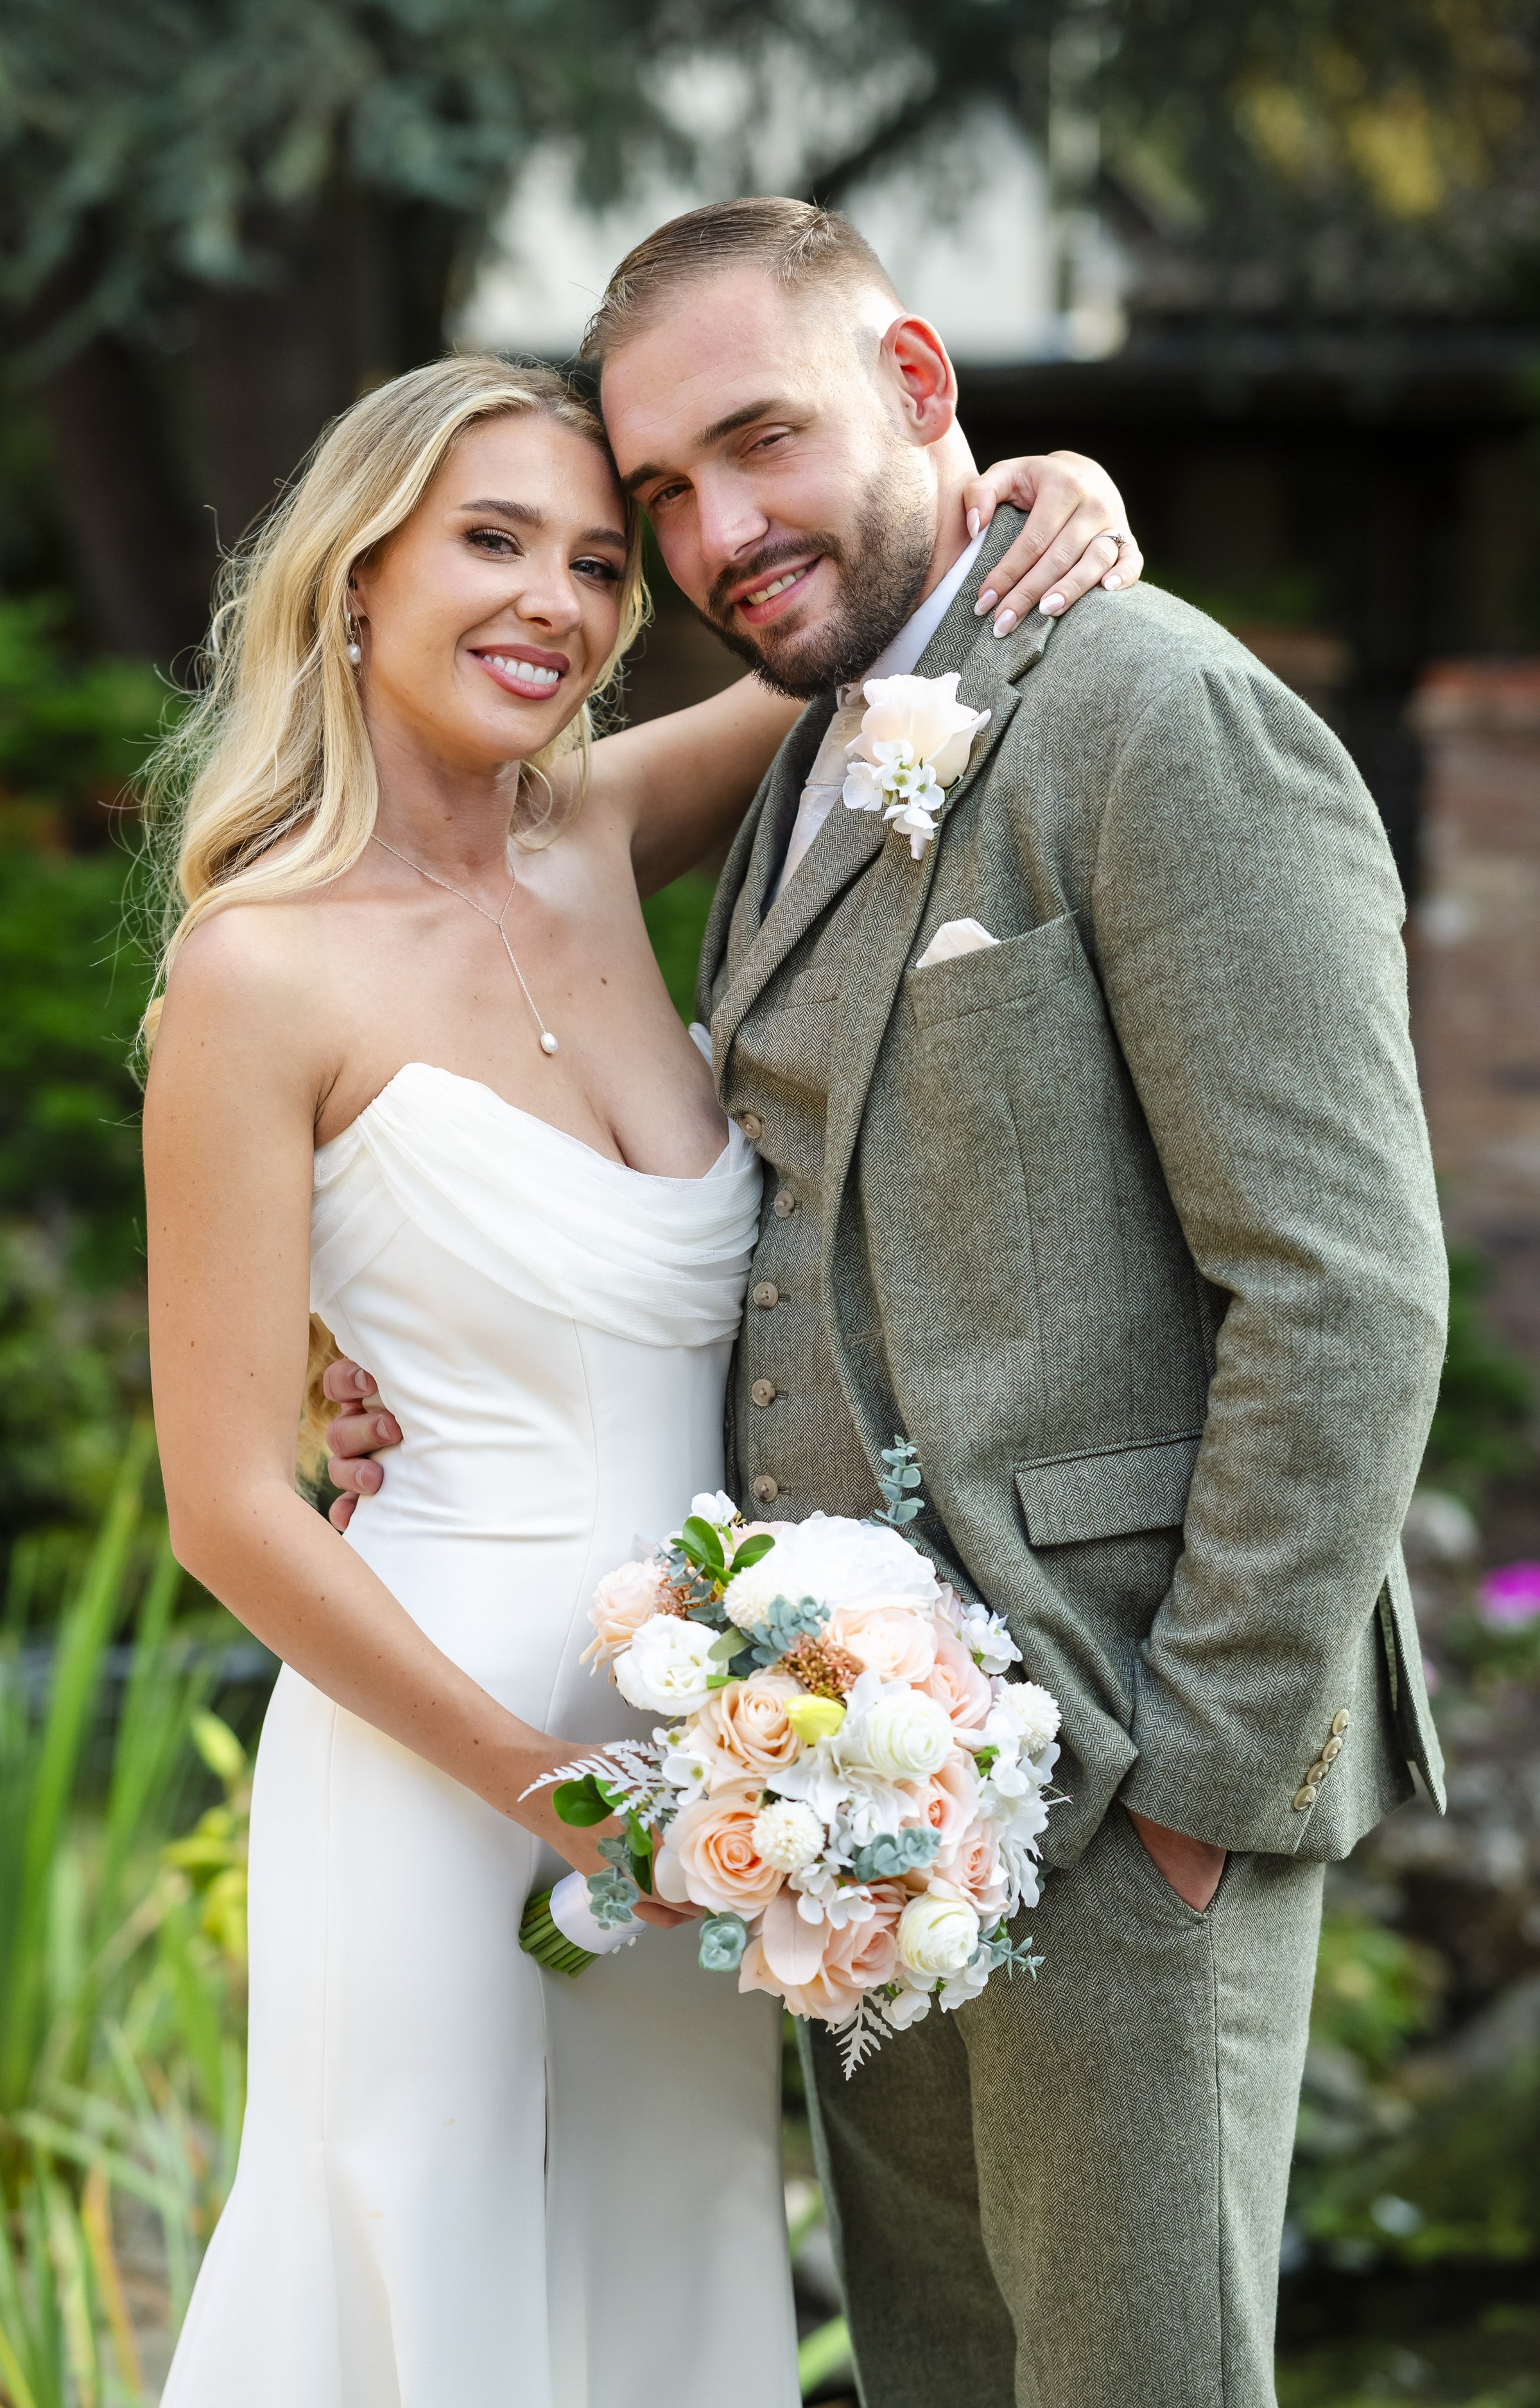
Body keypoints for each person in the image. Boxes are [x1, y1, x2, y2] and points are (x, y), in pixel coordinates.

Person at [330, 202, 1449, 2408]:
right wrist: (363, 1335)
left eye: (763, 439)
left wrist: (1190, 1787)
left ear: (923, 382)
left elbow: (1342, 1289)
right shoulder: (806, 741)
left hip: (1129, 1776)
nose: (717, 528)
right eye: (662, 492)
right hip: (848, 1794)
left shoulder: (1159, 715)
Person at [142, 343, 1138, 2407]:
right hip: (442, 1764)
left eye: (598, 562)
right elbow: (229, 1505)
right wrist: (550, 1795)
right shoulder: (256, 970)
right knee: (430, 2267)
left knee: (664, 2265)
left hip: (714, 1773)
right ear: (352, 576)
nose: (558, 603)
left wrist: (1028, 483)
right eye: (490, 542)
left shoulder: (599, 828)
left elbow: (880, 614)